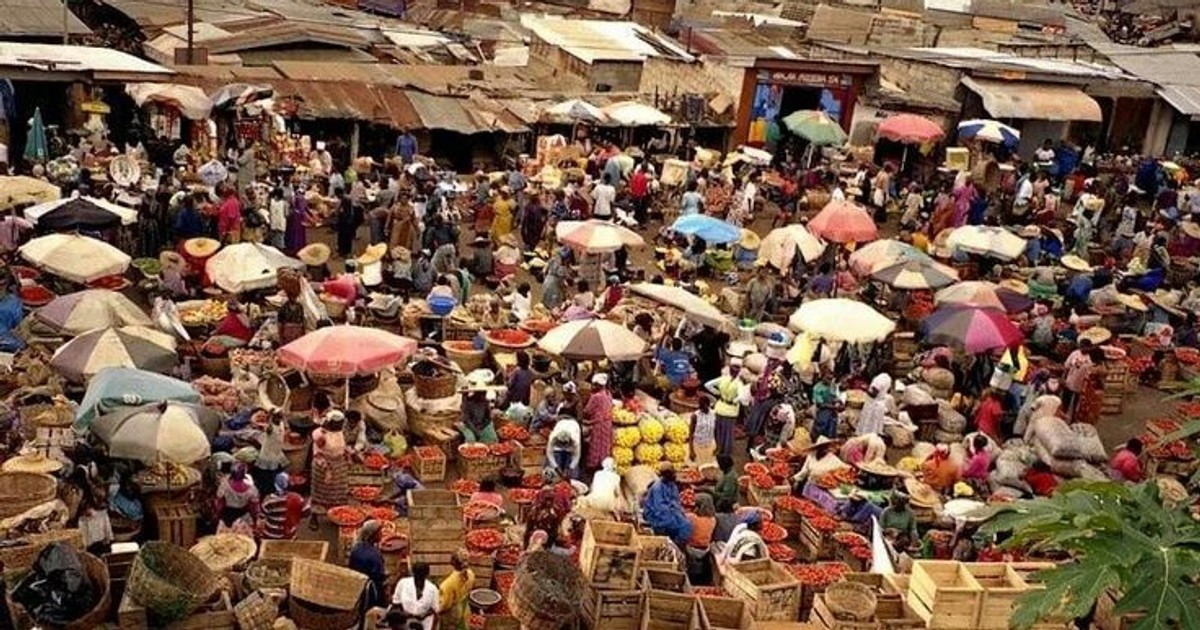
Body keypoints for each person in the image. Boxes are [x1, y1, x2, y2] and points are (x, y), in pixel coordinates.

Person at [706, 359, 750, 458]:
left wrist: (717, 393)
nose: (734, 370)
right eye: (733, 367)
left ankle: (721, 450)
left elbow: (708, 385)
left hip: (723, 408)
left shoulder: (727, 380)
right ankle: (723, 451)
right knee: (726, 432)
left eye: (736, 368)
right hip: (728, 409)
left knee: (721, 431)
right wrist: (734, 400)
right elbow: (742, 397)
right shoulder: (735, 382)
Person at [641, 465, 692, 547]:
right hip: (655, 514)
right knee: (672, 523)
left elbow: (676, 500)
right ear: (665, 476)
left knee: (687, 524)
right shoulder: (657, 488)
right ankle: (673, 544)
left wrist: (679, 511)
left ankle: (676, 544)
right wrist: (673, 512)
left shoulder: (672, 485)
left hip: (670, 510)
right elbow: (659, 508)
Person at [311, 411, 350, 518]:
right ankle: (314, 517)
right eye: (337, 424)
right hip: (323, 466)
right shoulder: (321, 435)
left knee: (338, 492)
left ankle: (337, 515)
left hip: (338, 466)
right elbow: (317, 454)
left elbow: (341, 446)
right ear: (330, 423)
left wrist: (348, 455)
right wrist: (327, 470)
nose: (340, 426)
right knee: (321, 493)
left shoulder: (339, 431)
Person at [260, 472, 311, 540]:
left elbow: (261, 517)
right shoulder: (298, 498)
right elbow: (306, 513)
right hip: (289, 534)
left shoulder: (268, 500)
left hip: (271, 535)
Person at [349, 520, 387, 607]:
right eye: (379, 532)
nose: (381, 534)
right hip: (371, 590)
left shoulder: (356, 548)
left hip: (357, 585)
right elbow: (379, 577)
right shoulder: (374, 555)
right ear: (373, 535)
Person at [253, 411, 290, 498]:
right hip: (276, 454)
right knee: (273, 477)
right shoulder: (280, 426)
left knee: (265, 479)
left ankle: (265, 493)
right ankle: (274, 492)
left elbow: (260, 424)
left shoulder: (270, 429)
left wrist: (269, 415)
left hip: (267, 456)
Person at [582, 373, 614, 473]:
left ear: (599, 386)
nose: (593, 387)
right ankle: (603, 463)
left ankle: (593, 465)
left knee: (596, 444)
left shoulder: (596, 397)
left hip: (598, 424)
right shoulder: (608, 394)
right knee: (604, 445)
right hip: (608, 423)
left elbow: (587, 410)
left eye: (594, 385)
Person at [394, 562, 439, 630]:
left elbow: (435, 610)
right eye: (416, 576)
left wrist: (424, 615)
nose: (418, 581)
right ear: (413, 574)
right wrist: (404, 614)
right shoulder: (403, 583)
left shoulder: (432, 589)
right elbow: (396, 603)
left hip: (425, 624)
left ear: (426, 575)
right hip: (405, 623)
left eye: (421, 577)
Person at [438, 550, 476, 630]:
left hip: (453, 614)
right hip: (465, 609)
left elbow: (445, 605)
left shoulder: (447, 584)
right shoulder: (470, 574)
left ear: (452, 562)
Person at [216, 463, 259, 528]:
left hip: (227, 514)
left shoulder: (224, 485)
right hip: (243, 515)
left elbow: (220, 503)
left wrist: (218, 516)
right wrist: (255, 520)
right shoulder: (252, 489)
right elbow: (254, 508)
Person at [811, 370, 841, 440]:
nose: (829, 381)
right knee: (821, 429)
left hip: (832, 412)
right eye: (827, 378)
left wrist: (839, 402)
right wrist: (834, 407)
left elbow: (834, 397)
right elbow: (821, 404)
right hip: (822, 412)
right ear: (822, 377)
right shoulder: (817, 388)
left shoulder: (832, 386)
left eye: (831, 379)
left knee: (831, 429)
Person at [690, 395, 717, 470]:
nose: (702, 409)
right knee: (699, 468)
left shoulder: (714, 414)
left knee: (709, 467)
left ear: (708, 405)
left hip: (710, 444)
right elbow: (691, 433)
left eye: (704, 407)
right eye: (701, 407)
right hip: (698, 446)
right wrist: (691, 450)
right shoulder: (695, 416)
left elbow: (716, 431)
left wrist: (718, 446)